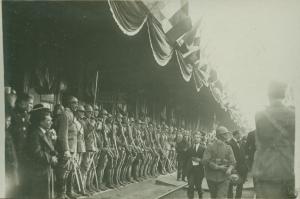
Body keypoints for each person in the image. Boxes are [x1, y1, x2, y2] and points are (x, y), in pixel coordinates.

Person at [253, 80, 296, 199]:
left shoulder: (260, 116)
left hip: (265, 171)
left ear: (268, 95)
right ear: (284, 94)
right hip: (287, 171)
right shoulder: (293, 115)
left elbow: (259, 145)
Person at [26, 104, 58, 199]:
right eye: (48, 120)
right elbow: (36, 152)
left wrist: (54, 150)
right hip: (38, 171)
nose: (51, 122)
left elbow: (50, 149)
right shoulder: (35, 134)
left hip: (45, 170)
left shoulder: (45, 133)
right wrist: (51, 158)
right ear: (40, 121)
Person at [10, 92, 34, 198]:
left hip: (24, 153)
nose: (31, 106)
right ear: (21, 103)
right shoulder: (13, 114)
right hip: (14, 152)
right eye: (29, 103)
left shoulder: (26, 115)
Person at [56, 95, 79, 199]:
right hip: (66, 149)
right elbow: (62, 134)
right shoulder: (65, 114)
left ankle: (69, 192)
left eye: (77, 102)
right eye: (74, 102)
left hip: (72, 149)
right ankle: (61, 194)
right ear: (68, 103)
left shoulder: (72, 115)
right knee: (63, 172)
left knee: (71, 171)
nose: (76, 105)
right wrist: (66, 150)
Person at [203, 126, 236, 199]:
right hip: (211, 177)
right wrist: (219, 167)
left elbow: (233, 162)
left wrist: (229, 169)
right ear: (221, 135)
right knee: (214, 197)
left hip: (224, 178)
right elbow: (205, 161)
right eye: (226, 134)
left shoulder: (228, 147)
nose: (227, 135)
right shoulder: (210, 146)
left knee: (221, 197)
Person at [227, 130, 248, 199]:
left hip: (242, 169)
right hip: (234, 168)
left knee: (240, 186)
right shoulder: (229, 143)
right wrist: (233, 168)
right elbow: (229, 157)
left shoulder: (241, 143)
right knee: (230, 185)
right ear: (236, 134)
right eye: (240, 133)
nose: (241, 135)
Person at [186, 133, 206, 199]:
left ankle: (200, 196)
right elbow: (187, 158)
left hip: (199, 171)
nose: (196, 138)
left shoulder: (203, 148)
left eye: (197, 137)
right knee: (191, 186)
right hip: (191, 170)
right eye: (195, 137)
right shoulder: (190, 148)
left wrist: (199, 160)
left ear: (200, 139)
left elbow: (205, 160)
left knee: (198, 186)